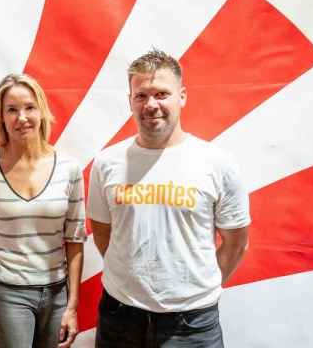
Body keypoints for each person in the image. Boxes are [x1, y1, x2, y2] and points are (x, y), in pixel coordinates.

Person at [88, 49, 251, 347]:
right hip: (120, 318)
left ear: (182, 96)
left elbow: (236, 241)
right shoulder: (106, 163)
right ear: (130, 101)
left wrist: (195, 288)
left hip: (192, 324)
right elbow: (104, 234)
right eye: (141, 95)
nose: (151, 105)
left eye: (162, 93)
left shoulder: (218, 163)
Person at [0, 73, 87, 348]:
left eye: (29, 107)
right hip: (4, 292)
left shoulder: (69, 168)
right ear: (1, 117)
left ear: (42, 111)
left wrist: (72, 305)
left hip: (56, 292)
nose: (22, 117)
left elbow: (75, 240)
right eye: (12, 109)